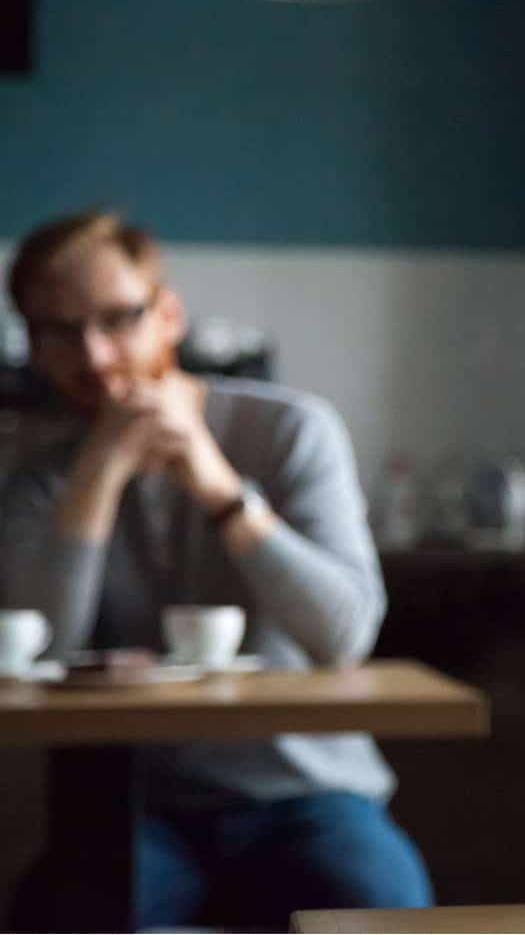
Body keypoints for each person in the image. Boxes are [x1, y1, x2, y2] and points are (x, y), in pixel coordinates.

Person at [0, 211, 432, 930]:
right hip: (134, 804)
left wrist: (218, 484)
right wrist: (97, 474)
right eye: (59, 331)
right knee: (65, 914)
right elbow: (36, 654)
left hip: (308, 791)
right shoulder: (39, 478)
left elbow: (343, 635)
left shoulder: (293, 430)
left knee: (386, 910)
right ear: (33, 349)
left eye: (119, 319)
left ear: (169, 315)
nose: (95, 353)